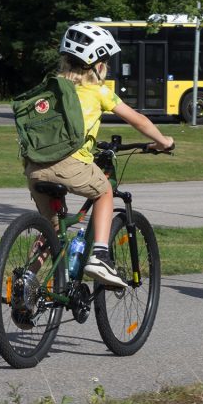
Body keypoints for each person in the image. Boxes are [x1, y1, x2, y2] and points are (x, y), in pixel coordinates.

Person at [24, 22, 174, 288]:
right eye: (105, 61)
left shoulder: (50, 89)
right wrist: (163, 141)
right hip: (70, 164)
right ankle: (100, 256)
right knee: (104, 191)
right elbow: (138, 119)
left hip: (35, 167)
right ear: (96, 64)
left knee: (52, 230)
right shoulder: (99, 91)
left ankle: (26, 283)